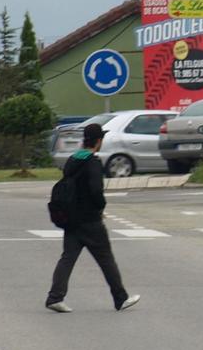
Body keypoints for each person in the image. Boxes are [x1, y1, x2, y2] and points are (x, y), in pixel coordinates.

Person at [46, 122, 141, 313]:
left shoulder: (73, 159)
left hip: (71, 219)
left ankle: (54, 297)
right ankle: (120, 298)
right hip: (90, 220)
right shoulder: (93, 163)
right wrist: (100, 208)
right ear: (98, 141)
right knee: (106, 258)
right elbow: (96, 191)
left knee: (67, 258)